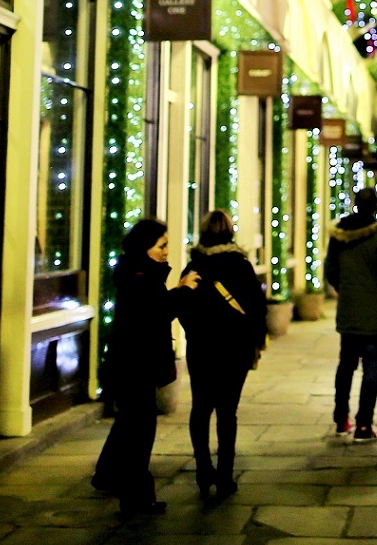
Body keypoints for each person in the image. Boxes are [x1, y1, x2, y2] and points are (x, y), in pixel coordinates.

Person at [94, 219, 199, 514]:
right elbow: (157, 312)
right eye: (161, 246)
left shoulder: (139, 273)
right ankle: (136, 497)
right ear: (146, 247)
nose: (166, 252)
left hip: (132, 362)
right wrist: (184, 291)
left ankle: (106, 474)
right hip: (136, 364)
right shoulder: (140, 276)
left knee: (129, 423)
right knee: (140, 431)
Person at [177, 209, 267, 498]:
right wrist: (254, 341)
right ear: (230, 232)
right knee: (227, 411)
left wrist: (195, 332)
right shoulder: (242, 266)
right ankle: (226, 475)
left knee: (201, 408)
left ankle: (204, 469)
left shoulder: (193, 268)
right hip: (235, 349)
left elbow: (183, 307)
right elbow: (257, 308)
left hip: (202, 349)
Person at [323, 187, 377, 443]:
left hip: (349, 310)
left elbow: (330, 270)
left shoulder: (339, 236)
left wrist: (345, 290)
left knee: (345, 366)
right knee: (371, 368)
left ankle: (341, 419)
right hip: (376, 312)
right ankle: (364, 425)